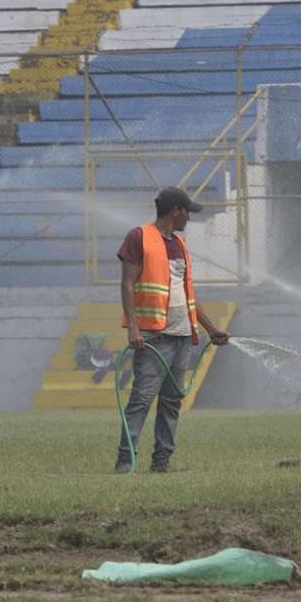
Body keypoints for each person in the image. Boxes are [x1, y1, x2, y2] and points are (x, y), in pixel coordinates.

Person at [115, 186, 229, 473]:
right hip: (154, 336)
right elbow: (127, 284)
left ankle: (161, 461)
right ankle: (125, 460)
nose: (188, 219)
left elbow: (187, 293)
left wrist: (210, 328)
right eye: (186, 212)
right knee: (141, 399)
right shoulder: (139, 237)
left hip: (181, 336)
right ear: (175, 210)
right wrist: (134, 328)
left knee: (172, 401)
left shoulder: (179, 245)